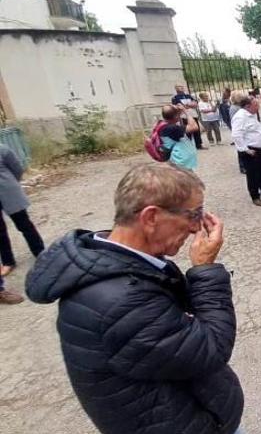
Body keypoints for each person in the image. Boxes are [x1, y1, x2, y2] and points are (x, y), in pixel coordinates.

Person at [25, 163, 244, 434]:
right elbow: (211, 348)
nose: (195, 227)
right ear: (151, 217)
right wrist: (205, 270)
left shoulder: (118, 260)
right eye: (193, 214)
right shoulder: (118, 301)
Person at [0, 144, 44, 305]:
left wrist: (10, 182)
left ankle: (40, 252)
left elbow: (17, 169)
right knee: (0, 232)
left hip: (8, 192)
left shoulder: (3, 149)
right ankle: (8, 261)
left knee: (24, 225)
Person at [159, 105, 199, 171]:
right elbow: (194, 127)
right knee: (189, 180)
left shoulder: (164, 125)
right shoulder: (172, 128)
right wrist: (186, 111)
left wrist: (177, 113)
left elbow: (178, 123)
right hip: (180, 163)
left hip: (178, 162)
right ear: (175, 116)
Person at [172, 84, 205, 150]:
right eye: (179, 86)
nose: (181, 87)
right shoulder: (175, 97)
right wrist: (189, 105)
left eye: (182, 86)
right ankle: (189, 146)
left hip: (193, 115)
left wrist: (188, 105)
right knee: (187, 131)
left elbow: (195, 104)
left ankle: (199, 145)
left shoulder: (189, 96)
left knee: (197, 130)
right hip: (184, 116)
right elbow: (179, 106)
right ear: (176, 89)